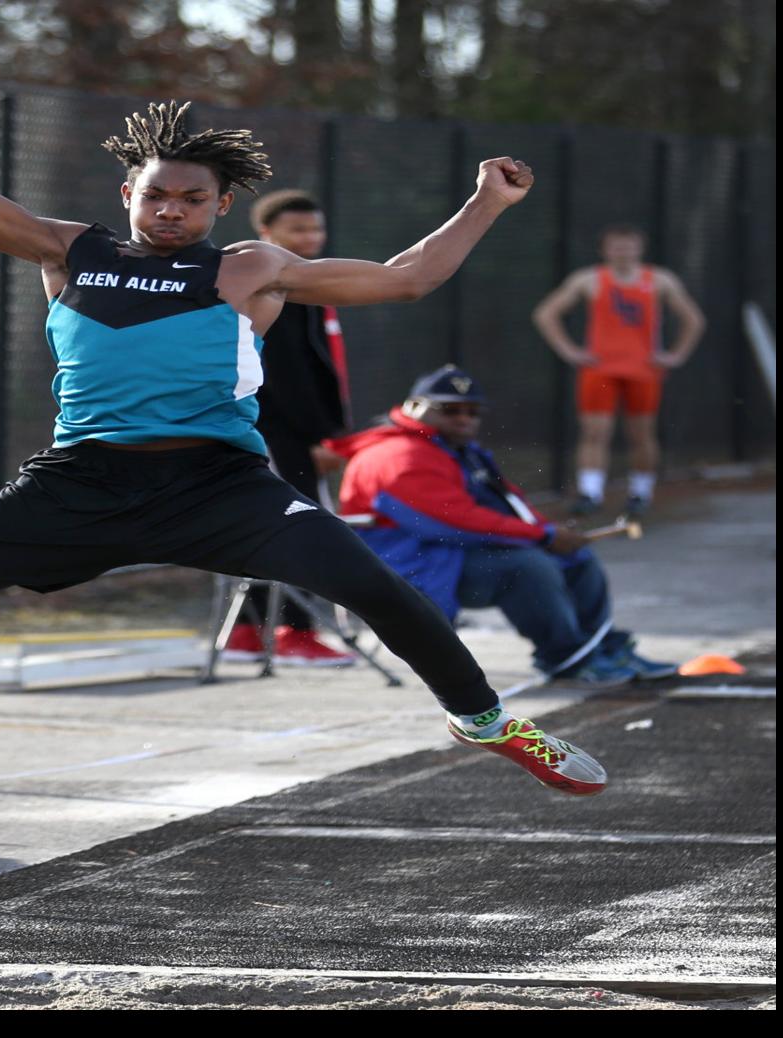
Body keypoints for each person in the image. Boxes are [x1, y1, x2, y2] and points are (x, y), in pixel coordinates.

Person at [0, 0, 610, 798]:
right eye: (155, 195)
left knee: (379, 587)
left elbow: (407, 278)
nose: (170, 209)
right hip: (79, 483)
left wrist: (486, 201)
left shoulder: (248, 269)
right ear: (128, 193)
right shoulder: (68, 248)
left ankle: (484, 720)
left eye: (190, 199)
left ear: (219, 207)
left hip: (219, 488)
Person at [324, 366, 678, 683]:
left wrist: (550, 534)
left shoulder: (454, 447)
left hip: (446, 556)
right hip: (408, 566)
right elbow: (449, 521)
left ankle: (602, 649)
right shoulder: (398, 454)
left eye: (472, 411)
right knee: (527, 567)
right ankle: (568, 659)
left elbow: (507, 502)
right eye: (450, 409)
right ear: (417, 408)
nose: (464, 418)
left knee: (576, 559)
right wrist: (542, 536)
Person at [223, 189, 355, 667]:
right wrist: (321, 435)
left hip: (296, 432)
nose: (310, 238)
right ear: (267, 235)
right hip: (272, 431)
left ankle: (246, 632)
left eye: (315, 228)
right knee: (301, 525)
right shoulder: (267, 285)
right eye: (297, 230)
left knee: (280, 524)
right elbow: (283, 373)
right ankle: (294, 631)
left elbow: (319, 366)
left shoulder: (309, 284)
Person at [532, 224, 706, 516]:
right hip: (601, 369)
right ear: (605, 249)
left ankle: (641, 492)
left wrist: (675, 356)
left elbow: (694, 320)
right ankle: (591, 492)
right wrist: (570, 351)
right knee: (594, 432)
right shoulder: (589, 280)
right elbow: (546, 313)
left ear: (640, 248)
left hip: (644, 369)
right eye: (616, 246)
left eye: (629, 245)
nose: (623, 252)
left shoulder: (659, 280)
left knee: (641, 433)